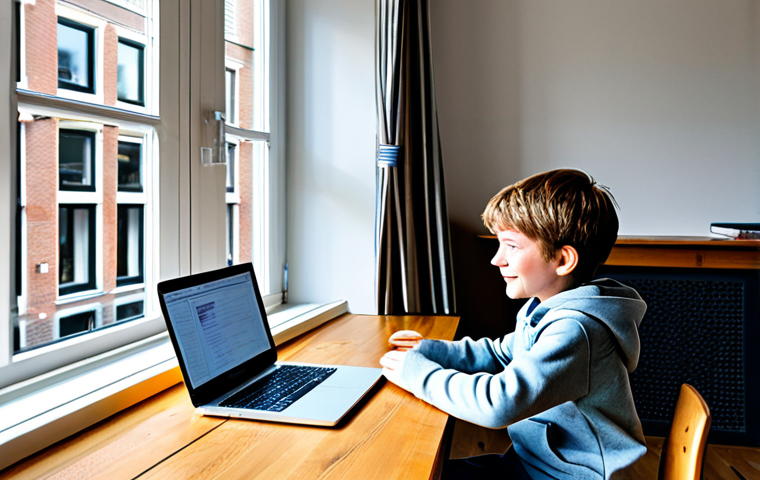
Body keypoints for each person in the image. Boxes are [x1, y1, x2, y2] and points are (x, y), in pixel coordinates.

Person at [380, 169, 648, 480]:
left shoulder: (576, 330)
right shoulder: (542, 308)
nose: (497, 259)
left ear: (563, 261)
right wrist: (429, 350)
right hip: (538, 464)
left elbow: (499, 404)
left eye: (512, 246)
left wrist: (417, 374)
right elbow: (500, 354)